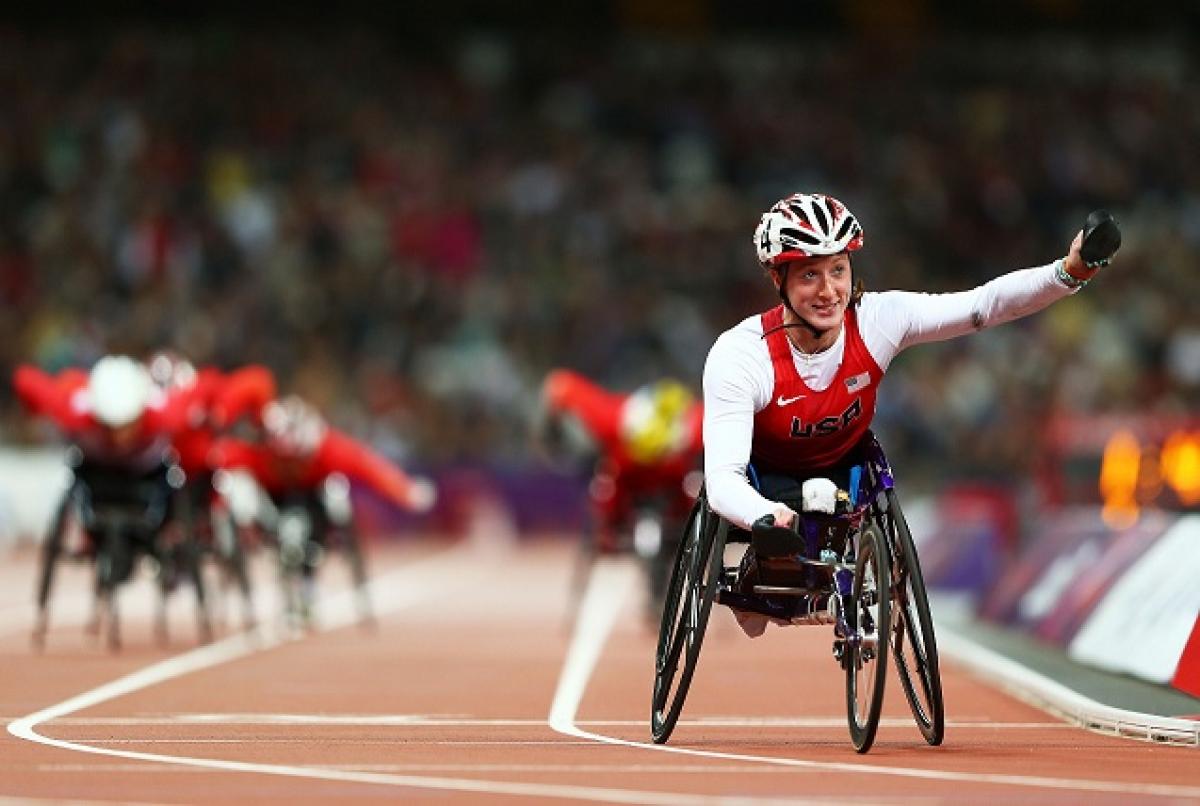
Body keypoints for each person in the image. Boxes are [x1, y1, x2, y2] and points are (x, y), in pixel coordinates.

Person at [703, 193, 1115, 636]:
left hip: (848, 468)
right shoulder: (741, 354)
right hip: (769, 480)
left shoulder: (880, 319)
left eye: (838, 271)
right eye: (809, 276)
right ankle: (761, 584)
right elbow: (723, 479)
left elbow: (983, 305)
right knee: (770, 580)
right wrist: (765, 516)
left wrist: (1071, 271)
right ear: (776, 279)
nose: (828, 292)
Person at [211, 394, 436, 628]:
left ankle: (308, 578)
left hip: (314, 497)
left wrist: (407, 492)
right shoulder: (257, 452)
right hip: (274, 498)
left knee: (334, 495)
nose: (292, 463)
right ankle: (267, 553)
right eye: (284, 456)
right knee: (240, 490)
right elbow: (217, 464)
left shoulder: (330, 448)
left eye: (299, 456)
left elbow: (369, 466)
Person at [537, 369, 704, 617]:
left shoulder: (697, 426)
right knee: (603, 484)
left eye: (658, 451)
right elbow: (559, 384)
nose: (651, 459)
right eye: (646, 450)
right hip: (625, 481)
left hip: (673, 483)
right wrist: (550, 425)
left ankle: (677, 554)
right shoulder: (611, 417)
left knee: (696, 489)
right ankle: (606, 533)